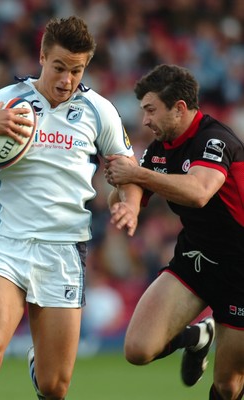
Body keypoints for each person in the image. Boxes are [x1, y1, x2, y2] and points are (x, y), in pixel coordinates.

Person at [0, 16, 142, 400]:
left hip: (63, 251)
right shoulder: (4, 101)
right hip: (5, 242)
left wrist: (131, 204)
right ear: (41, 56)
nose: (66, 79)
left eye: (76, 70)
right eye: (58, 67)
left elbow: (128, 171)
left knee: (55, 387)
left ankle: (42, 365)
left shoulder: (98, 110)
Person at [105, 64, 244, 400]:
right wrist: (128, 200)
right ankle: (196, 337)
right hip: (196, 260)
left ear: (179, 108)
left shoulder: (215, 139)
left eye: (151, 110)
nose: (145, 120)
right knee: (137, 349)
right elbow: (131, 186)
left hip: (240, 271)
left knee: (228, 385)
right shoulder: (159, 149)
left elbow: (198, 192)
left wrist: (137, 175)